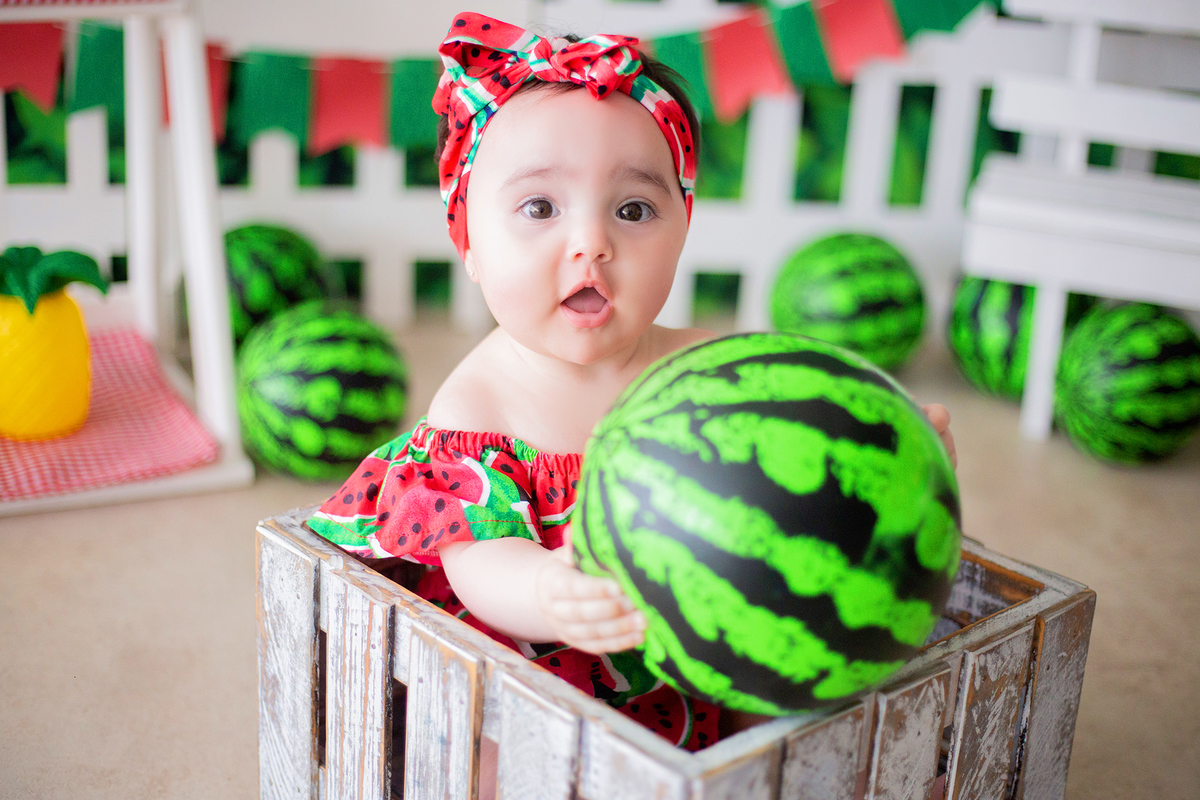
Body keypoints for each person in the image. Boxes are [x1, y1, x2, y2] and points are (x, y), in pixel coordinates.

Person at [307, 10, 957, 759]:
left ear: (683, 231)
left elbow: (807, 433)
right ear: (470, 244)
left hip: (695, 663)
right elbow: (478, 561)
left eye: (634, 209)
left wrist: (896, 442)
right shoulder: (476, 408)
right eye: (539, 208)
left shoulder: (710, 370)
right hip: (543, 682)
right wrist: (547, 590)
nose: (592, 242)